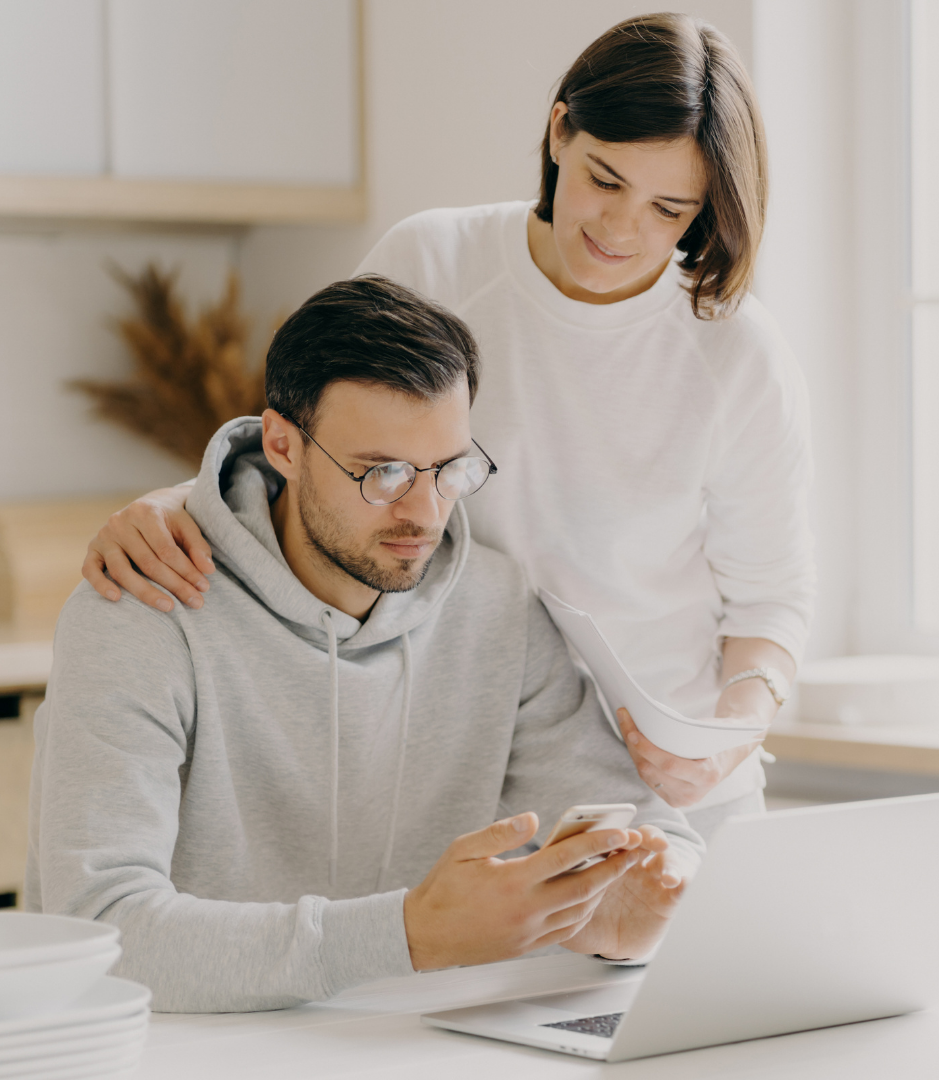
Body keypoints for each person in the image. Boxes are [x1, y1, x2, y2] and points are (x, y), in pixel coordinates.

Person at [80, 14, 814, 839]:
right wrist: (175, 507)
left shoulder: (736, 352)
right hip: (461, 777)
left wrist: (729, 734)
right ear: (560, 130)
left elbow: (771, 603)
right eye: (604, 180)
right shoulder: (436, 261)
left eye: (668, 209)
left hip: (673, 798)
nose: (620, 230)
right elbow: (321, 444)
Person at [27, 277, 703, 1014]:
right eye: (382, 473)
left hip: (414, 1047)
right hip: (185, 1051)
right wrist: (408, 936)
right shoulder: (143, 608)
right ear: (282, 444)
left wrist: (630, 920)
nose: (424, 512)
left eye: (449, 470)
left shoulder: (495, 604)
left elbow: (649, 834)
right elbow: (102, 932)